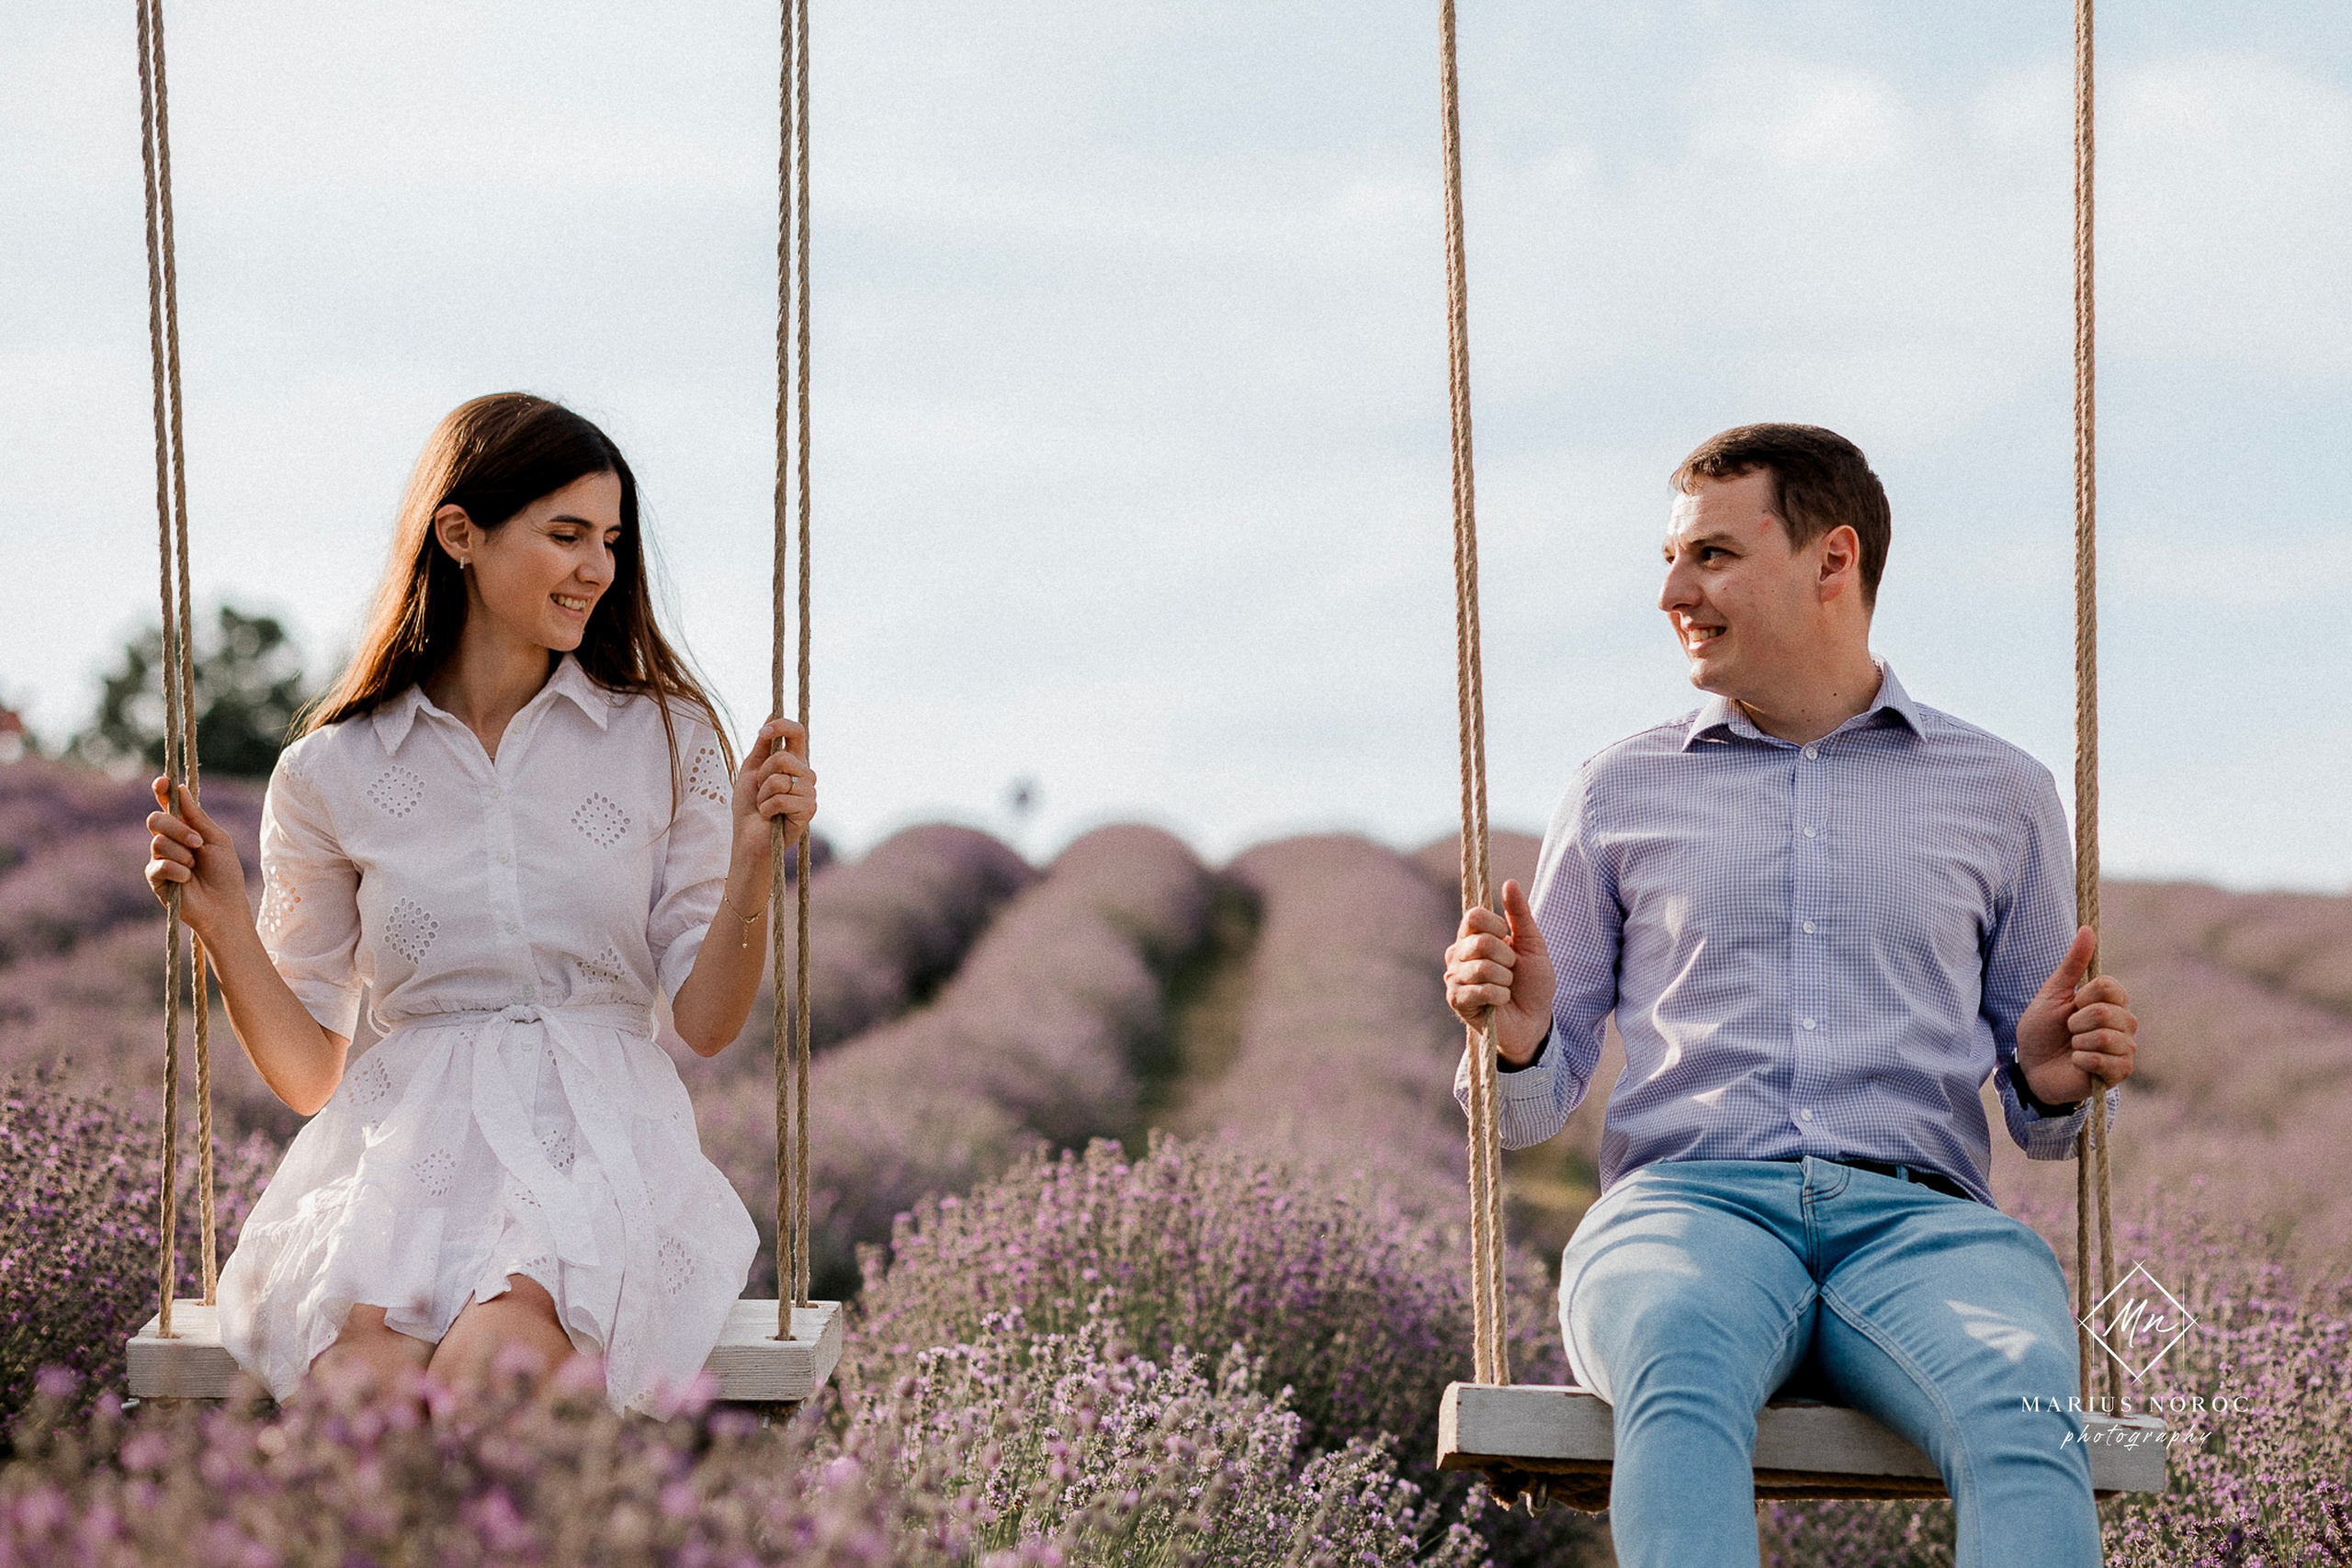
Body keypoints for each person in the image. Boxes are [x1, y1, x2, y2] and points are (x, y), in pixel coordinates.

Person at [1442, 423, 2138, 1568]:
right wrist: (1514, 1047)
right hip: (1686, 1213)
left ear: (1832, 561)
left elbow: (2051, 1114)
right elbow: (1519, 1112)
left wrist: (2063, 1083)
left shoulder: (2003, 792)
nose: (1673, 590)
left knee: (2024, 1406)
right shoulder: (1618, 790)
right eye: (1671, 559)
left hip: (1925, 1228)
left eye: (1711, 554)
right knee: (1676, 1356)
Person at [142, 392, 815, 1415]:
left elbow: (708, 1022)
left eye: (611, 541)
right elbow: (309, 1071)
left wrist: (756, 865)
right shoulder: (332, 772)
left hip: (593, 1134)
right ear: (460, 534)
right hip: (402, 1157)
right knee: (357, 1393)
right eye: (566, 535)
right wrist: (226, 928)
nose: (598, 568)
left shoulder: (664, 740)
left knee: (494, 1374)